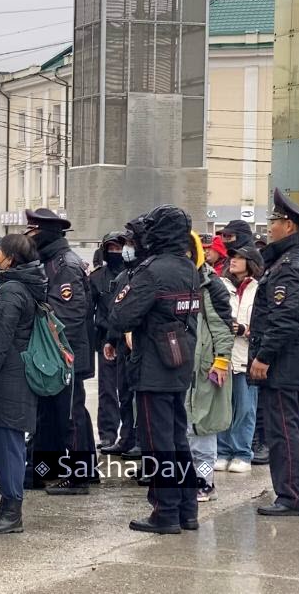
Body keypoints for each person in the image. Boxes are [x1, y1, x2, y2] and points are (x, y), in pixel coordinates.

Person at [109, 205, 201, 534]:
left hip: (153, 367)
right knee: (177, 440)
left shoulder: (151, 271)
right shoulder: (190, 268)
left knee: (157, 443)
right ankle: (187, 510)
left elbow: (120, 316)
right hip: (179, 362)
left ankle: (165, 513)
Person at [248, 188, 299, 516]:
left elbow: (286, 319)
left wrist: (264, 357)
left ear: (289, 226)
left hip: (284, 363)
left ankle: (291, 497)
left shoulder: (290, 265)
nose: (270, 226)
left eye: (274, 221)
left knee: (283, 431)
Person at [24, 208, 96, 495]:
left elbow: (69, 313)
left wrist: (53, 353)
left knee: (69, 415)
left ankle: (79, 477)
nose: (28, 237)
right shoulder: (51, 260)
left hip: (64, 354)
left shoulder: (64, 264)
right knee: (50, 415)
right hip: (56, 355)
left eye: (31, 232)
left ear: (43, 233)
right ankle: (48, 471)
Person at [0, 235, 46, 535]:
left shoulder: (11, 292)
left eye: (0, 252)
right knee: (8, 443)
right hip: (14, 377)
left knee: (6, 444)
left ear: (10, 259)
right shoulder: (21, 286)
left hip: (8, 380)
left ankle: (12, 509)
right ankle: (7, 506)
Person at [183, 232, 235, 503]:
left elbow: (222, 326)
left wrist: (221, 360)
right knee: (185, 431)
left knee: (203, 430)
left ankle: (205, 483)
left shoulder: (211, 286)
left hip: (205, 370)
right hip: (181, 368)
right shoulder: (179, 281)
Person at [100, 222, 147, 458]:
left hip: (140, 344)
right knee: (124, 394)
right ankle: (126, 437)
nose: (125, 250)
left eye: (129, 245)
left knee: (140, 397)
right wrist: (110, 338)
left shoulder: (145, 273)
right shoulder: (123, 275)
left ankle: (140, 439)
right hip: (121, 343)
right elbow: (116, 310)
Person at [215, 246, 263, 473]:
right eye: (231, 257)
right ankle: (222, 451)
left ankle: (243, 452)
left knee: (245, 408)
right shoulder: (220, 285)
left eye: (239, 257)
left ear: (250, 261)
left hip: (248, 356)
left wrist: (245, 329)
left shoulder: (260, 288)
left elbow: (267, 323)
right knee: (223, 407)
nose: (233, 261)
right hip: (224, 356)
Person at [91, 231, 129, 449]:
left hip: (129, 338)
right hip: (106, 338)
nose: (115, 252)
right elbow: (89, 309)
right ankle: (107, 432)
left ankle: (128, 434)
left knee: (127, 388)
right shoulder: (97, 277)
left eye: (119, 248)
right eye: (111, 249)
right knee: (107, 388)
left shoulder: (135, 274)